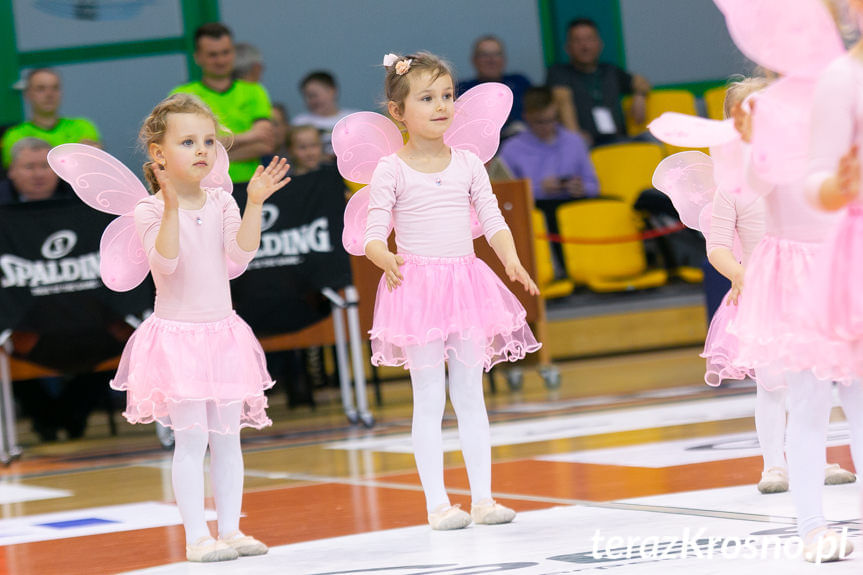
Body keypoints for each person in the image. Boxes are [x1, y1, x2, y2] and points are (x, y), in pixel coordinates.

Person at [362, 52, 541, 530]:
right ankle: (438, 504)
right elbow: (373, 231)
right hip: (416, 287)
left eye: (447, 96)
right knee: (428, 397)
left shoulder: (467, 162)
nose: (441, 106)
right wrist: (383, 256)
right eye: (427, 98)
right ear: (397, 112)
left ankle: (482, 499)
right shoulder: (390, 169)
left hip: (466, 283)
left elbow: (493, 219)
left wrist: (512, 261)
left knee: (470, 394)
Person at [114, 93, 290, 562]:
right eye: (188, 141)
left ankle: (230, 530)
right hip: (178, 340)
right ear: (159, 155)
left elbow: (240, 257)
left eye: (208, 141)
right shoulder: (149, 211)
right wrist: (171, 206)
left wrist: (252, 202)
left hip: (224, 334)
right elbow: (166, 262)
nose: (201, 150)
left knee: (228, 438)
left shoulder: (222, 201)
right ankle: (197, 537)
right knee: (191, 441)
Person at [724, 64, 863, 561]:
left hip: (845, 267)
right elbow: (749, 182)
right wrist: (752, 138)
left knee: (859, 397)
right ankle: (812, 527)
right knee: (808, 406)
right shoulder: (769, 141)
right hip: (796, 279)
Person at [700, 79, 854, 495]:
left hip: (809, 294)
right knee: (772, 383)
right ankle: (774, 465)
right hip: (759, 298)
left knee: (817, 378)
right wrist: (745, 277)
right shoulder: (730, 188)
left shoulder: (801, 174)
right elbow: (717, 249)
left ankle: (816, 458)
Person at [498, 86, 599, 274]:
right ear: (527, 117)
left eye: (552, 120)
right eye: (540, 122)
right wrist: (540, 189)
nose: (547, 127)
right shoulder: (512, 148)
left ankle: (593, 267)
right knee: (549, 215)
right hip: (538, 206)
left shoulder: (574, 141)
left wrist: (582, 187)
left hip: (573, 201)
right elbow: (508, 196)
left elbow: (594, 185)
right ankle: (561, 271)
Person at [170, 23, 275, 188]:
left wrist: (210, 153)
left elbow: (265, 144)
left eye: (225, 52)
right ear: (198, 57)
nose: (220, 60)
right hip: (203, 189)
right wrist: (249, 136)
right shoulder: (182, 95)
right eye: (212, 55)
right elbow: (185, 149)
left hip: (250, 186)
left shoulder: (255, 90)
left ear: (233, 53)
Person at [546, 18, 650, 147]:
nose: (585, 46)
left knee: (651, 139)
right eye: (577, 41)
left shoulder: (610, 71)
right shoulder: (559, 73)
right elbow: (562, 101)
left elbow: (641, 81)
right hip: (587, 143)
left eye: (589, 39)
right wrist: (575, 137)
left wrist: (639, 95)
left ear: (600, 44)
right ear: (568, 47)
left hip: (619, 140)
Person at [1, 68, 101, 168]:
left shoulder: (83, 126)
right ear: (27, 94)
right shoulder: (14, 136)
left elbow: (92, 166)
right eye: (41, 89)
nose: (49, 94)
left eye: (55, 88)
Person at [459, 35, 533, 137]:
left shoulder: (520, 82)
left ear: (504, 59)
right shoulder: (463, 90)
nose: (491, 60)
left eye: (496, 54)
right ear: (474, 60)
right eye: (484, 55)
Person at [292, 71, 359, 159]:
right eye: (306, 97)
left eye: (314, 95)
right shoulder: (300, 122)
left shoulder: (354, 118)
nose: (311, 101)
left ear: (332, 91)